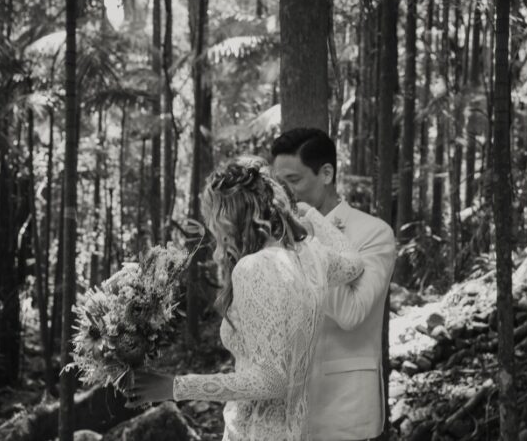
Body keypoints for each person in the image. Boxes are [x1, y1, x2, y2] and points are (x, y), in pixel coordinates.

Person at [124, 160, 364, 440]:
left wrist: (175, 387)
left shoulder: (254, 268)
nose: (213, 229)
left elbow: (271, 381)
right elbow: (354, 262)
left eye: (214, 218)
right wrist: (312, 214)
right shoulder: (312, 256)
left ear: (230, 217)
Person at [271, 128, 397, 441]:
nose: (283, 193)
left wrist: (307, 239)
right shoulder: (272, 240)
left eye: (294, 180)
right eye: (278, 182)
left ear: (326, 173)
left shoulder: (374, 233)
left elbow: (352, 314)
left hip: (345, 410)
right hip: (284, 414)